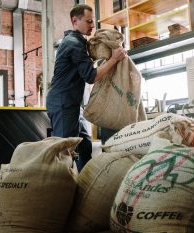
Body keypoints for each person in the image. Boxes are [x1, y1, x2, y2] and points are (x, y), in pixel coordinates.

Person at [46, 3, 126, 171]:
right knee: (64, 152)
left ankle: (85, 184)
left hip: (73, 105)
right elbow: (91, 76)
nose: (92, 25)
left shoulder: (78, 42)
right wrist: (114, 60)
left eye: (93, 21)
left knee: (84, 146)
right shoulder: (73, 43)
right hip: (63, 103)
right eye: (89, 21)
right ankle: (59, 190)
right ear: (75, 20)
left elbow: (86, 68)